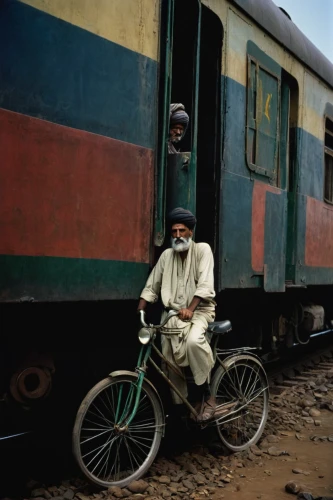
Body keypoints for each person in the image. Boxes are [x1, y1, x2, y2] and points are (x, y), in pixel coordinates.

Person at [137, 207, 217, 422]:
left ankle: (207, 395)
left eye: (182, 231)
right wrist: (141, 308)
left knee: (193, 342)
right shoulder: (166, 255)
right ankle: (182, 406)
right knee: (167, 358)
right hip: (173, 315)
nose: (178, 236)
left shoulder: (203, 250)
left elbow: (205, 284)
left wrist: (190, 309)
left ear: (190, 231)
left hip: (200, 312)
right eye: (174, 232)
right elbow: (152, 285)